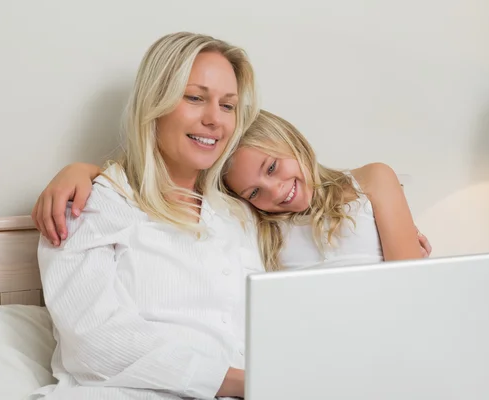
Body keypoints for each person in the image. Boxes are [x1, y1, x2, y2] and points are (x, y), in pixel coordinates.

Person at [32, 31, 262, 400]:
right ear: (155, 102)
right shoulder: (90, 201)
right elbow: (91, 342)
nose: (214, 119)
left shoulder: (238, 214)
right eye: (195, 98)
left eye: (228, 105)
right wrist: (242, 382)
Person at [33, 110, 433, 272]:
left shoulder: (372, 180)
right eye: (255, 192)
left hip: (390, 321)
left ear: (292, 141)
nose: (277, 191)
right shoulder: (252, 224)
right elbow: (155, 183)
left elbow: (415, 282)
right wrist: (84, 169)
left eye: (273, 167)